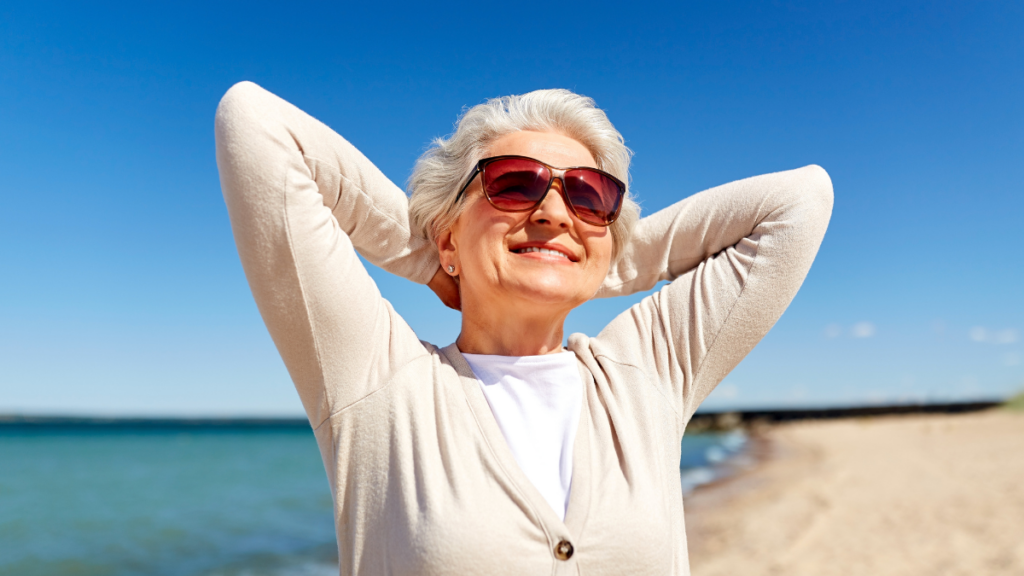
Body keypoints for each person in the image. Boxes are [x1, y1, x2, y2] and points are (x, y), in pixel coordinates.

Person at [214, 81, 832, 576]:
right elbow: (257, 127)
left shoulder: (643, 375)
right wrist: (433, 257)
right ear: (449, 227)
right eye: (514, 183)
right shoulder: (380, 385)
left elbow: (798, 204)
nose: (555, 211)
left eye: (590, 196)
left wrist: (594, 259)